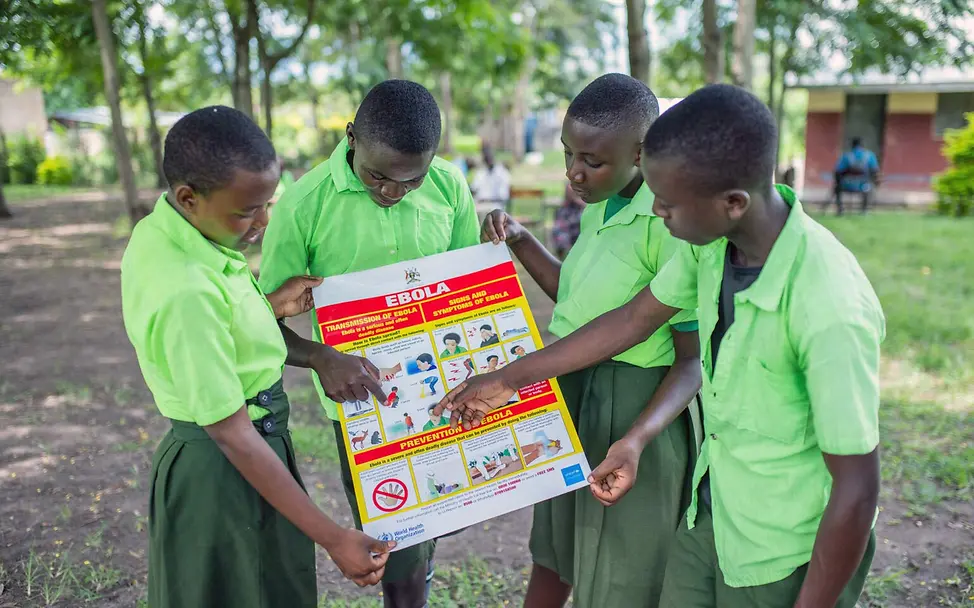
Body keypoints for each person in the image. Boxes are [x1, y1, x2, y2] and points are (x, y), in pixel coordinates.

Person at [440, 84, 884, 608]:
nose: (657, 213)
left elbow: (857, 490)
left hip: (783, 547)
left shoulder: (829, 305)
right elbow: (633, 318)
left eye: (668, 205)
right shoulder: (712, 247)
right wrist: (508, 380)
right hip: (712, 512)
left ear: (733, 203)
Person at [120, 107, 393, 608]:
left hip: (245, 457)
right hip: (224, 472)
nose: (263, 223)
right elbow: (233, 434)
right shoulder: (185, 289)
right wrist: (334, 538)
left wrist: (265, 308)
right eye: (247, 211)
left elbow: (220, 329)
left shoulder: (171, 229)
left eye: (268, 204)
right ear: (189, 197)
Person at [477, 73, 701, 608]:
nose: (573, 173)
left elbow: (690, 361)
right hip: (572, 392)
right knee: (557, 548)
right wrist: (522, 241)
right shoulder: (601, 203)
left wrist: (638, 437)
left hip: (635, 408)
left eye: (591, 161)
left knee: (622, 572)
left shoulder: (668, 222)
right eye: (568, 153)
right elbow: (580, 303)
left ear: (640, 154)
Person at [259, 79, 479, 607]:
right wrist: (319, 357)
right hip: (361, 405)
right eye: (378, 176)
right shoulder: (304, 205)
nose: (392, 192)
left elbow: (470, 288)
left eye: (411, 179)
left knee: (437, 520)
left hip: (446, 388)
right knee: (395, 539)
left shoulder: (450, 186)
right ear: (351, 137)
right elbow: (261, 319)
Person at [833, 137, 880, 215]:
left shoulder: (846, 156)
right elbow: (875, 171)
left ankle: (840, 210)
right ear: (863, 146)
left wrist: (838, 182)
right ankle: (864, 210)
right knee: (869, 187)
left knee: (837, 188)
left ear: (852, 145)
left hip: (846, 185)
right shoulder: (870, 156)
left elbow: (837, 172)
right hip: (864, 186)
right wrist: (875, 182)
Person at [470, 146, 511, 211]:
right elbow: (474, 188)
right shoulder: (481, 172)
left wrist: (487, 201)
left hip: (496, 206)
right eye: (486, 157)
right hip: (480, 204)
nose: (488, 159)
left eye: (489, 156)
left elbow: (503, 197)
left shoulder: (502, 173)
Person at [551, 182, 586, 259]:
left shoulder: (584, 201)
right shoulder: (564, 206)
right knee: (558, 231)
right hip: (566, 225)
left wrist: (576, 200)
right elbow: (560, 215)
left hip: (577, 225)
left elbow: (584, 211)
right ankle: (560, 256)